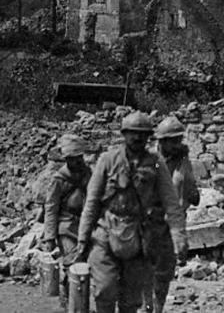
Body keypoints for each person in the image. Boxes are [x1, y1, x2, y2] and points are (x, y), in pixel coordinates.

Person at [77, 112, 183, 313]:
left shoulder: (157, 162)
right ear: (124, 134)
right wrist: (82, 240)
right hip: (106, 233)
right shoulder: (107, 160)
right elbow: (91, 202)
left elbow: (171, 202)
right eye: (132, 133)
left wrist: (179, 237)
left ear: (149, 137)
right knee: (104, 289)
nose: (137, 138)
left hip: (140, 237)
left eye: (142, 134)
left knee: (131, 299)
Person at [145, 116, 197, 313]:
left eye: (179, 140)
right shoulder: (150, 159)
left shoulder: (183, 162)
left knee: (164, 274)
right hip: (150, 222)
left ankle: (156, 309)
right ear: (162, 141)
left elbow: (191, 192)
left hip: (173, 225)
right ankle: (146, 308)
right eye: (172, 141)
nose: (177, 144)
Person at [43, 136, 92, 262]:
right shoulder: (58, 180)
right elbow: (51, 208)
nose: (78, 161)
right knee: (74, 261)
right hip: (67, 227)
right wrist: (50, 237)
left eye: (79, 157)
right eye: (73, 159)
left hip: (87, 226)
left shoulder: (88, 174)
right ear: (67, 160)